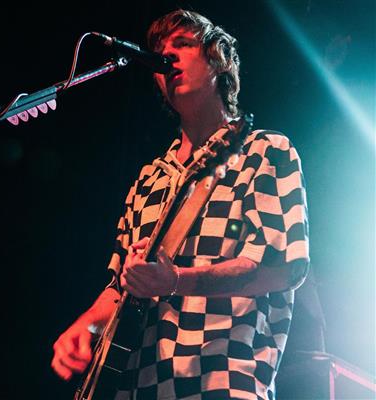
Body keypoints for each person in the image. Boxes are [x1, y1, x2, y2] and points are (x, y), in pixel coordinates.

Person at [51, 9, 310, 400]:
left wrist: (175, 281)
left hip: (222, 382)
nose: (167, 56)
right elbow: (120, 287)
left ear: (219, 60)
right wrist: (85, 326)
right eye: (160, 51)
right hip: (136, 386)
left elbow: (283, 267)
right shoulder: (149, 178)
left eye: (183, 44)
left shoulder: (264, 151)